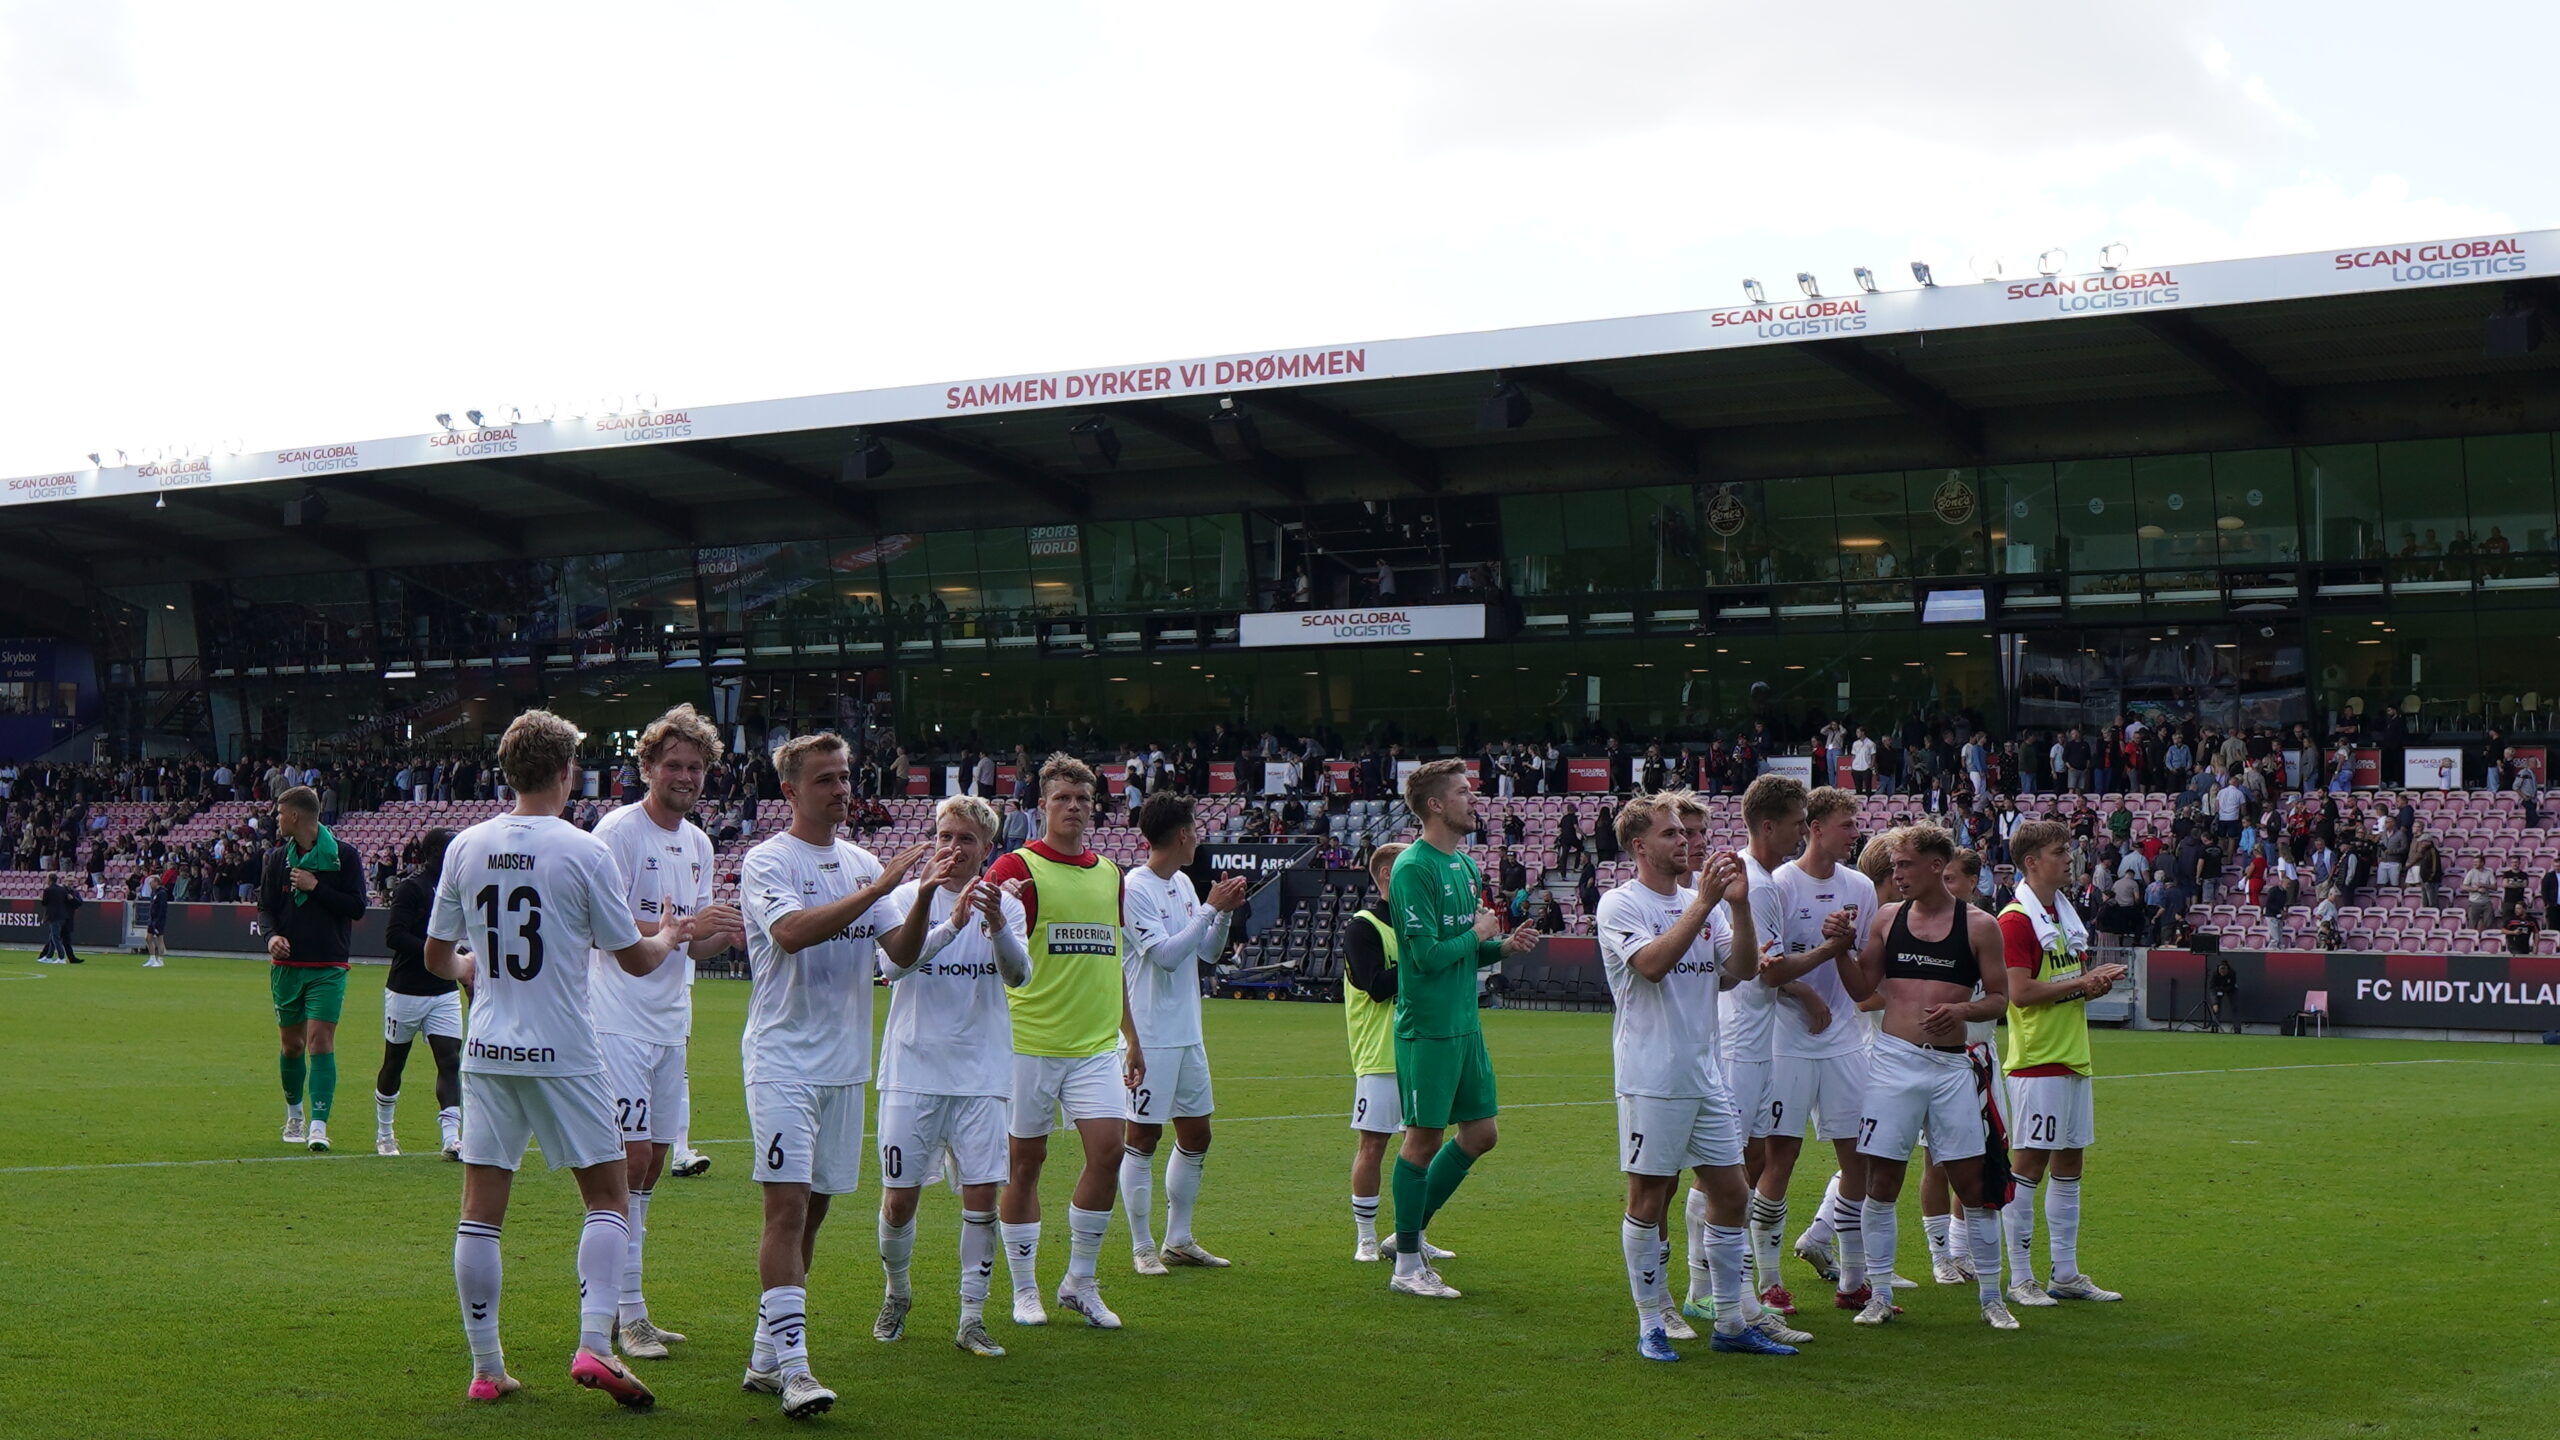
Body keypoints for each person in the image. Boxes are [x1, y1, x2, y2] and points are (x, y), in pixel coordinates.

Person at [426, 709, 705, 1409]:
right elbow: (635, 959)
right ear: (565, 771)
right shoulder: (583, 851)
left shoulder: (466, 845)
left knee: (481, 1210)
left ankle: (487, 1368)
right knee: (609, 1197)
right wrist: (670, 935)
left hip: (489, 1048)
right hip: (566, 1050)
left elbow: (435, 956)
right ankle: (592, 1344)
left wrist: (468, 967)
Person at [737, 732, 926, 1417]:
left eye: (844, 777)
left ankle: (765, 1357)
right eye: (825, 780)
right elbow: (791, 933)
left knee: (813, 1212)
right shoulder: (768, 860)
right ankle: (795, 1371)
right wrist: (878, 889)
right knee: (786, 1209)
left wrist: (924, 897)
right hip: (783, 1059)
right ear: (790, 791)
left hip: (844, 1066)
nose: (842, 789)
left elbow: (898, 956)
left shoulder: (861, 860)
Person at [1595, 793, 1798, 1361]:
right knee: (1649, 1197)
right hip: (1652, 1077)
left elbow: (1739, 972)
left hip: (1706, 1073)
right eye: (1670, 834)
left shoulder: (1698, 903)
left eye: (1685, 833)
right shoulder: (1620, 904)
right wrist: (1706, 903)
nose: (1684, 841)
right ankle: (1651, 1322)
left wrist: (1738, 908)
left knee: (1732, 1193)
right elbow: (1652, 965)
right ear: (1640, 846)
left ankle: (1730, 1322)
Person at [589, 705, 746, 1361]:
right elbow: (605, 929)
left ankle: (631, 1307)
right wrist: (679, 929)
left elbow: (691, 944)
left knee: (653, 1161)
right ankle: (620, 1314)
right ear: (648, 766)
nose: (685, 777)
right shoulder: (619, 832)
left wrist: (725, 935)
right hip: (617, 1018)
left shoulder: (700, 843)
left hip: (670, 1020)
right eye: (674, 765)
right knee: (627, 1162)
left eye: (696, 767)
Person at [984, 753, 1147, 1329]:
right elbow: (989, 950)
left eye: (1082, 798)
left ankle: (1080, 1280)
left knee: (1108, 1152)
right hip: (1028, 1042)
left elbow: (1113, 961)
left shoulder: (1111, 875)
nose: (1073, 807)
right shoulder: (1015, 868)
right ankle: (1024, 1288)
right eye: (1062, 798)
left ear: (1094, 806)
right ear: (1042, 806)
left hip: (1095, 1046)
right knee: (1025, 1164)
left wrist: (1132, 1037)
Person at [1837, 826, 2019, 1329]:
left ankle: (1991, 1296)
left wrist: (1961, 1010)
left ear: (1938, 865)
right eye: (1894, 866)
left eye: (1906, 864)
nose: (1897, 874)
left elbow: (2000, 999)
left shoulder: (1980, 925)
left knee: (1972, 1182)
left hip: (1950, 1066)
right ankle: (1878, 1292)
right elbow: (1861, 988)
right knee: (1882, 1180)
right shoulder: (1887, 919)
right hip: (1893, 1062)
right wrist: (1838, 949)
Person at [872, 794, 1033, 1359]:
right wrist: (950, 925)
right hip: (912, 1071)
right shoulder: (905, 897)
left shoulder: (1005, 904)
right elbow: (892, 968)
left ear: (987, 848)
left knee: (982, 1199)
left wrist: (996, 925)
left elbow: (1019, 976)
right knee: (899, 1201)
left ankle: (972, 1317)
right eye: (945, 836)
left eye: (966, 839)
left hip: (981, 1075)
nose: (953, 848)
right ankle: (897, 1293)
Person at [1385, 759, 1538, 1299]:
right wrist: (1478, 935)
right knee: (1422, 1140)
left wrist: (1502, 945)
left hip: (1465, 1024)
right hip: (1428, 1027)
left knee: (1481, 1134)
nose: (1474, 800)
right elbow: (1426, 957)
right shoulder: (1412, 868)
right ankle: (1407, 1267)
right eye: (1463, 793)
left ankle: (1407, 1235)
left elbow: (1465, 950)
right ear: (1435, 805)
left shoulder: (1466, 866)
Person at [1702, 775, 1830, 1318]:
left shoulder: (1763, 880)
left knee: (1748, 1160)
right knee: (1724, 1168)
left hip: (1757, 1039)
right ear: (1769, 825)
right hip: (1738, 1040)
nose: (1804, 831)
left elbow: (1767, 968)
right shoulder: (1754, 884)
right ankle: (1707, 1291)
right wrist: (1829, 952)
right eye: (1799, 822)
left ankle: (1727, 1287)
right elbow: (1768, 972)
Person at [1755, 787, 1878, 1315]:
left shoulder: (1860, 887)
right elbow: (1766, 966)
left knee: (1859, 1158)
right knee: (1780, 1156)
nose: (1855, 833)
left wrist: (1842, 947)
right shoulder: (1780, 884)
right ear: (1816, 827)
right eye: (1846, 824)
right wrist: (1804, 994)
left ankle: (1853, 1279)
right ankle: (1769, 1280)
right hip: (1786, 1039)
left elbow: (1863, 969)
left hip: (1845, 1038)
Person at [1998, 819, 2129, 1309]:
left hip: (2073, 1056)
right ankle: (2021, 1277)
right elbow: (2019, 992)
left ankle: (2066, 1273)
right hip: (2038, 1059)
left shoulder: (2061, 915)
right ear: (2032, 862)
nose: (2069, 858)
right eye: (2059, 851)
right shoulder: (2016, 920)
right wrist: (2081, 983)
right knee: (2028, 1165)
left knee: (2071, 1163)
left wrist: (2091, 985)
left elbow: (2064, 984)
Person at [1118, 793, 1250, 1272]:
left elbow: (1207, 953)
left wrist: (1225, 911)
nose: (1199, 836)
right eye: (1196, 829)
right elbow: (1167, 956)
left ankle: (1178, 1239)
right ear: (1182, 834)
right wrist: (1208, 909)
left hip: (1187, 1031)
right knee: (1143, 1137)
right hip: (1149, 1034)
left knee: (1197, 1133)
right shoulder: (1134, 888)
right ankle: (1141, 1246)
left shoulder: (1183, 883)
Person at [1339, 842, 1456, 1267]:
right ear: (1389, 875)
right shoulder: (1363, 926)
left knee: (1423, 1145)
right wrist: (1423, 958)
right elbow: (1375, 986)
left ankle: (1410, 1234)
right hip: (1382, 1055)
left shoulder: (1422, 926)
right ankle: (1366, 1238)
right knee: (1373, 1144)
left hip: (1423, 1050)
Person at [260, 785, 367, 1152]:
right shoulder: (277, 859)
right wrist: (271, 936)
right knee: (292, 1046)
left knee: (321, 1041)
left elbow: (357, 907)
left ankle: (319, 1125)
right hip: (287, 967)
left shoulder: (344, 857)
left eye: (279, 812)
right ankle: (295, 1114)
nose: (276, 819)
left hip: (328, 965)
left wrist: (316, 886)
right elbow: (265, 908)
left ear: (295, 816)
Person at [375, 826, 467, 1160]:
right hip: (406, 990)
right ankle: (385, 1133)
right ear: (434, 853)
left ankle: (451, 1138)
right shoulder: (411, 888)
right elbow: (394, 936)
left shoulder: (458, 888)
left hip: (443, 990)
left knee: (450, 1060)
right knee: (394, 1062)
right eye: (451, 849)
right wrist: (436, 953)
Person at [35, 872, 81, 964]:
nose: (71, 883)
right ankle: (48, 956)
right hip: (64, 917)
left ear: (49, 879)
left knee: (55, 938)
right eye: (70, 881)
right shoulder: (62, 890)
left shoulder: (48, 890)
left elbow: (45, 903)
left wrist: (42, 898)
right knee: (54, 937)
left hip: (55, 916)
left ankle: (61, 957)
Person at [142, 868, 171, 966]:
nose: (150, 884)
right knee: (148, 938)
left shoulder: (162, 893)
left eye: (151, 882)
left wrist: (158, 920)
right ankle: (152, 958)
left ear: (156, 882)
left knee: (159, 939)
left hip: (159, 920)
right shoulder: (154, 893)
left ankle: (160, 960)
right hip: (152, 919)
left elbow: (162, 908)